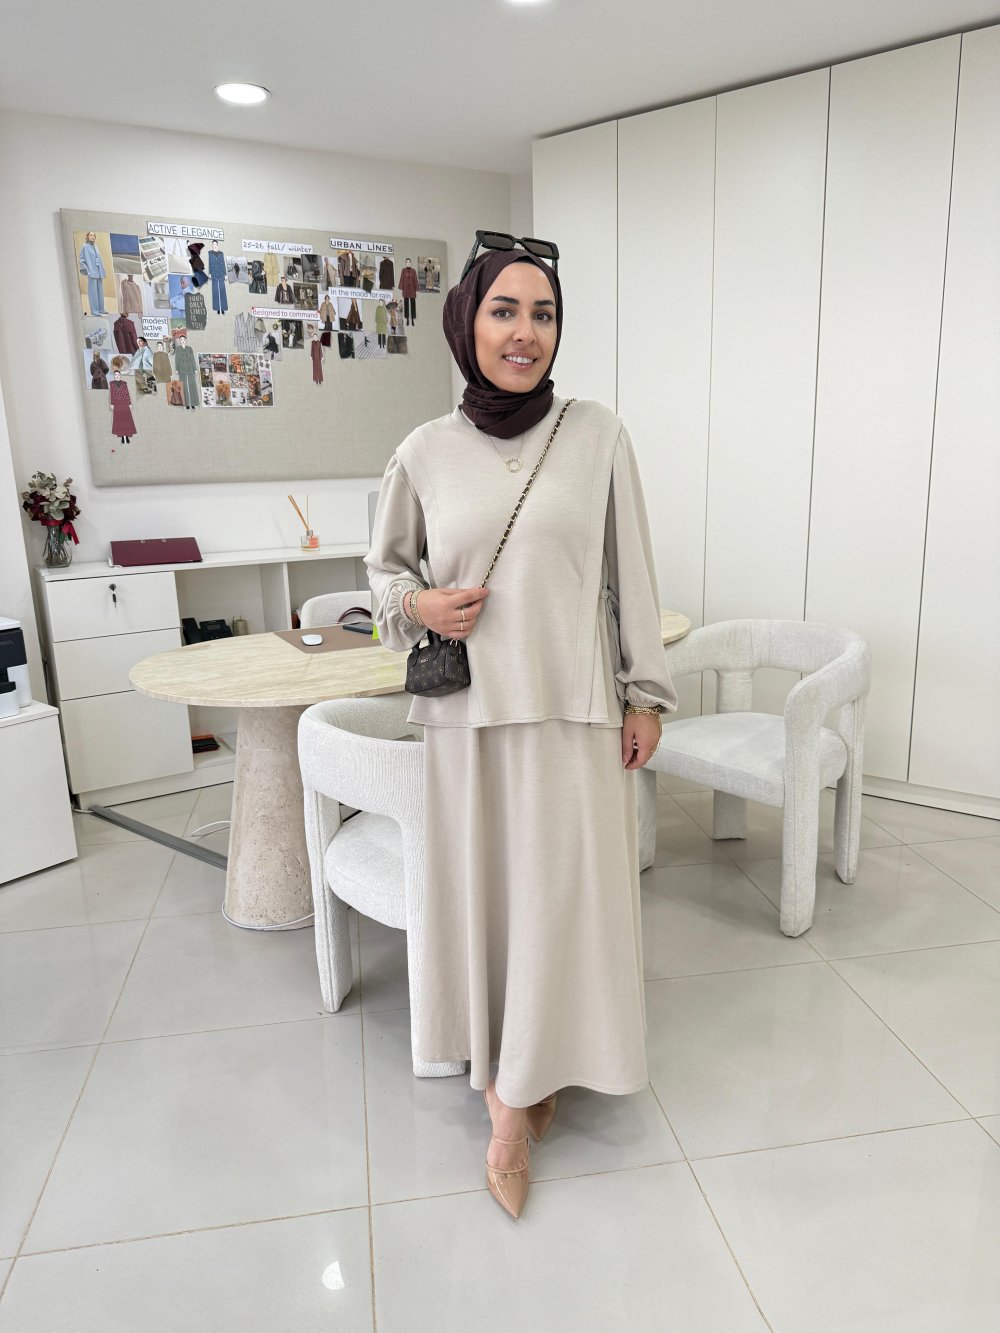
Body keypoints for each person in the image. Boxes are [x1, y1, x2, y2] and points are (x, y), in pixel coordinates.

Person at [365, 241, 677, 1220]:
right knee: (489, 902)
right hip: (468, 719)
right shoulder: (422, 451)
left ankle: (536, 1069)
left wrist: (645, 693)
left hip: (575, 710)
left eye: (543, 314)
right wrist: (420, 606)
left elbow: (632, 573)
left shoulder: (597, 434)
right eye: (504, 310)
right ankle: (507, 1097)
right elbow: (382, 575)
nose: (525, 332)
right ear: (468, 322)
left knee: (564, 903)